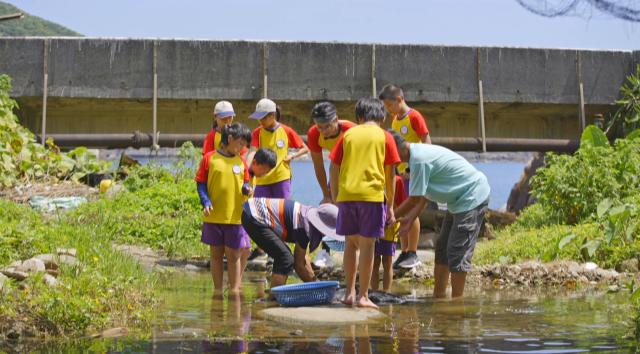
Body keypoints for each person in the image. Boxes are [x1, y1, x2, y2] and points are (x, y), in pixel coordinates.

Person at [391, 131, 490, 299]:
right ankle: (439, 297)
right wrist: (409, 218)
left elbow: (414, 199)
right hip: (457, 201)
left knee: (456, 250)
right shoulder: (416, 157)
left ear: (396, 149)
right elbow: (422, 196)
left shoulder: (419, 160)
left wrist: (390, 216)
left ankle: (457, 304)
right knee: (442, 247)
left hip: (471, 196)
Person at [329, 97, 400, 309]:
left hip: (347, 194)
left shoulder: (347, 134)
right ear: (382, 117)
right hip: (372, 196)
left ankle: (349, 293)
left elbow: (333, 165)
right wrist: (390, 206)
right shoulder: (385, 136)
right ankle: (363, 296)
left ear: (359, 117)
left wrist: (335, 195)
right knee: (368, 244)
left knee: (350, 244)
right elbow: (390, 175)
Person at [246, 98, 309, 261]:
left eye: (263, 117)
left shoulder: (286, 131)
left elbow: (305, 148)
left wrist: (292, 156)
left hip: (282, 178)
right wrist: (249, 171)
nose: (260, 121)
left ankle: (279, 248)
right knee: (259, 214)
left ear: (273, 115)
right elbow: (252, 152)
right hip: (262, 180)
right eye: (259, 118)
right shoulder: (257, 133)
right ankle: (261, 250)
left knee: (281, 214)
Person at [195, 123, 254, 293]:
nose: (243, 148)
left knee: (234, 254)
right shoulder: (209, 158)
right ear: (229, 139)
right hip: (214, 215)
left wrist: (247, 189)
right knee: (215, 254)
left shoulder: (241, 161)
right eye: (241, 143)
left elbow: (245, 182)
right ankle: (218, 291)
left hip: (235, 216)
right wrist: (205, 201)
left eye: (245, 145)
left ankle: (234, 290)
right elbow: (201, 183)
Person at [379, 84, 430, 270]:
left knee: (411, 210)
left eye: (390, 105)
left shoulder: (414, 117)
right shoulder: (394, 120)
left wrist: (412, 169)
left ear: (399, 100)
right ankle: (405, 250)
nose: (388, 109)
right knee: (399, 209)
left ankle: (413, 252)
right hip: (401, 174)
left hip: (414, 171)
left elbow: (426, 141)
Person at [241, 199, 338, 287]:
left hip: (252, 212)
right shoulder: (304, 227)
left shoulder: (306, 218)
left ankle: (274, 293)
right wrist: (317, 286)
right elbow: (299, 266)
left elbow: (303, 258)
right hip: (254, 216)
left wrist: (315, 280)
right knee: (285, 258)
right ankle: (274, 297)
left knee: (285, 255)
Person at [307, 101, 356, 268]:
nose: (323, 131)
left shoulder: (351, 129)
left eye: (327, 126)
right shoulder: (314, 133)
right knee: (329, 209)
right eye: (320, 127)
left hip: (355, 173)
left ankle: (356, 250)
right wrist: (326, 193)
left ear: (336, 119)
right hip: (335, 172)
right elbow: (318, 165)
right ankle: (325, 253)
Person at [371, 173, 408, 292]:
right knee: (374, 260)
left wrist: (396, 220)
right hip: (373, 225)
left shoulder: (397, 181)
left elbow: (403, 204)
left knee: (387, 261)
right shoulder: (373, 178)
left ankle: (386, 292)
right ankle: (374, 292)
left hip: (390, 226)